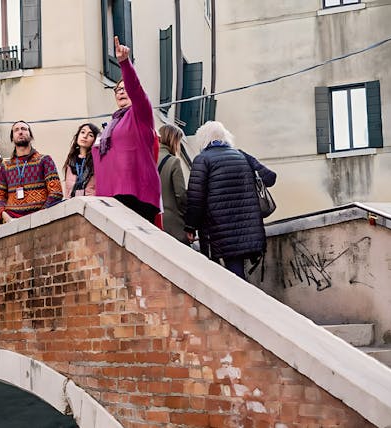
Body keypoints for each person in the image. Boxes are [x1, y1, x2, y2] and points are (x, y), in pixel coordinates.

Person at [184, 121, 277, 280]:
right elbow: (270, 178)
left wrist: (190, 227)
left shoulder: (203, 159)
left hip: (220, 229)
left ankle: (243, 304)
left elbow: (195, 198)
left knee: (230, 277)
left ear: (203, 140)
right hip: (249, 227)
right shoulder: (241, 155)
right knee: (236, 272)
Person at [92, 36, 161, 223]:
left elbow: (136, 89)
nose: (121, 91)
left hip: (137, 193)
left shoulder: (140, 114)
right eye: (117, 90)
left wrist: (124, 63)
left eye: (124, 88)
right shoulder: (109, 127)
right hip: (109, 197)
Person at [0, 120, 63, 222]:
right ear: (12, 138)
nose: (20, 132)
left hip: (40, 221)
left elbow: (56, 193)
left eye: (24, 129)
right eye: (16, 130)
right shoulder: (6, 166)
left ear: (30, 135)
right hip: (12, 222)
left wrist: (40, 216)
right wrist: (7, 218)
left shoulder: (44, 160)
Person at [157, 124, 188, 244]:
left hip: (151, 219)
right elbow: (180, 194)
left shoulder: (148, 158)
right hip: (171, 222)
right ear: (174, 140)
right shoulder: (173, 162)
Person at [62, 123, 100, 198]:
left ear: (95, 140)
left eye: (90, 135)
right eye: (82, 132)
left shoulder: (96, 161)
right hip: (73, 203)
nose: (85, 136)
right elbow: (67, 190)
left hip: (91, 203)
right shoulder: (71, 161)